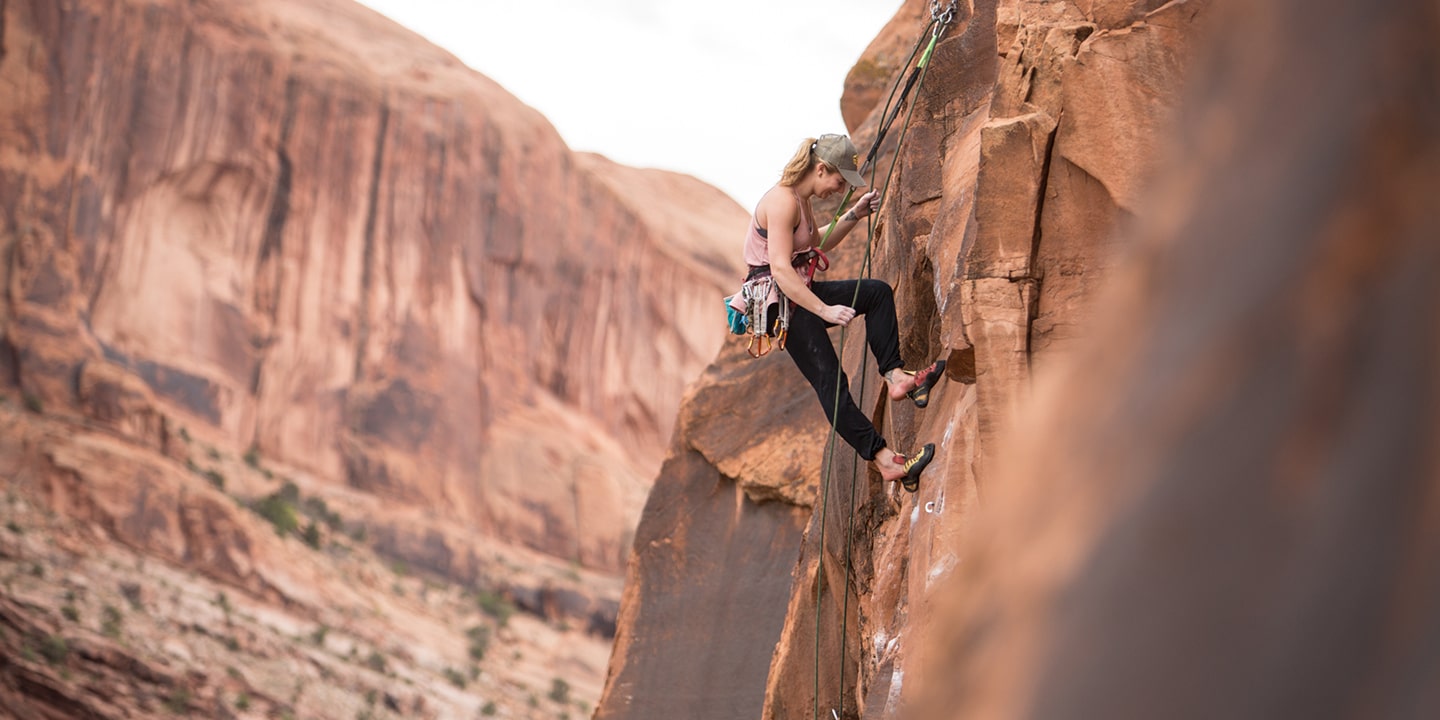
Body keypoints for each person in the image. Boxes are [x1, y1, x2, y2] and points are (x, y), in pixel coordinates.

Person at [731, 134, 946, 491]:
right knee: (832, 383)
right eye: (839, 180)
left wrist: (853, 214)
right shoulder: (781, 202)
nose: (840, 187)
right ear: (820, 169)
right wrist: (825, 310)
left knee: (874, 294)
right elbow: (782, 270)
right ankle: (885, 461)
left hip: (796, 293)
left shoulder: (801, 200)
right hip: (779, 303)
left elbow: (817, 243)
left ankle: (895, 377)